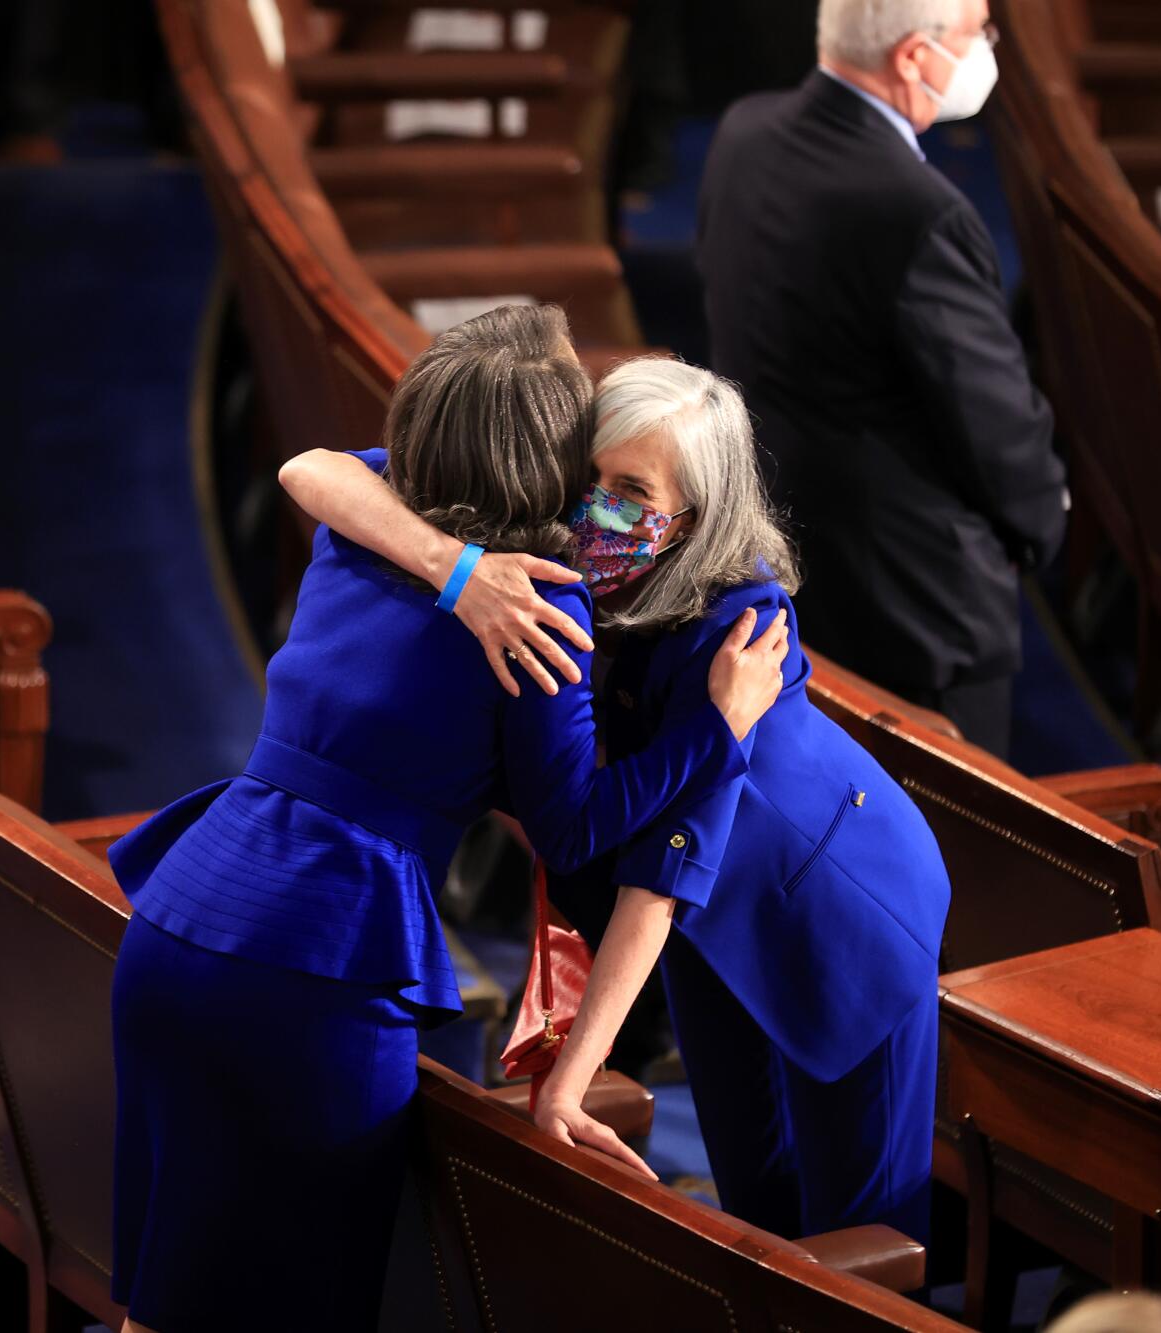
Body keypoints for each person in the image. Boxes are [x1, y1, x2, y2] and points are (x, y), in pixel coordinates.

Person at [106, 306, 791, 1333]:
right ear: (546, 458)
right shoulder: (536, 611)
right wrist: (717, 731)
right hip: (315, 968)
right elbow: (573, 828)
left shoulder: (372, 518)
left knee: (171, 1293)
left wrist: (454, 569)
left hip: (178, 921)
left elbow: (312, 469)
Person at [281, 354, 952, 1242]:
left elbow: (664, 871)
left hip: (843, 912)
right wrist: (453, 569)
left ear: (690, 520)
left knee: (857, 1236)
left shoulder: (741, 632)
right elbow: (315, 471)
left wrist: (571, 1074)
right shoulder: (569, 546)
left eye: (629, 488)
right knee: (755, 1210)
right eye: (589, 473)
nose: (593, 504)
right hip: (710, 934)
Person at [694, 0, 1068, 755]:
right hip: (912, 611)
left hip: (776, 558)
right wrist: (1042, 526)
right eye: (975, 34)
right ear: (913, 57)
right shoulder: (922, 210)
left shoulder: (745, 132)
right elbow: (997, 428)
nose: (987, 49)